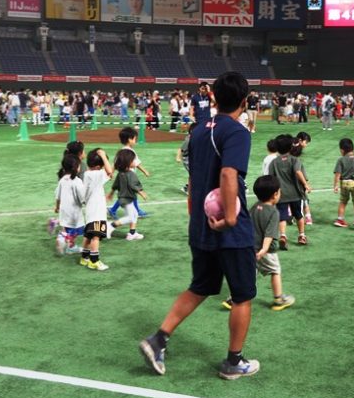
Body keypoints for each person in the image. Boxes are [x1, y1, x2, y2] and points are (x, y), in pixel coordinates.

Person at [139, 71, 259, 380]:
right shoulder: (238, 132)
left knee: (201, 286)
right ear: (244, 101)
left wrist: (197, 218)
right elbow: (229, 174)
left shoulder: (198, 132)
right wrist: (230, 218)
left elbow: (193, 179)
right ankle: (234, 362)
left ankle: (158, 339)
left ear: (213, 97)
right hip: (230, 229)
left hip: (201, 224)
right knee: (243, 295)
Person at [222, 175, 295, 312]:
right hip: (266, 252)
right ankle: (278, 299)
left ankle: (235, 298)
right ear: (275, 194)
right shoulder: (274, 212)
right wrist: (264, 249)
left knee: (249, 274)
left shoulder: (255, 207)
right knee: (275, 271)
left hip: (250, 248)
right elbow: (269, 234)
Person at [269, 134, 312, 247]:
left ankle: (283, 235)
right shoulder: (294, 160)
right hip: (295, 193)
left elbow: (271, 178)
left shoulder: (274, 162)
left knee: (282, 216)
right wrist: (306, 184)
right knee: (298, 215)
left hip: (281, 194)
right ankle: (302, 235)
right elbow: (298, 172)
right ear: (290, 147)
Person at [79, 148, 114, 271]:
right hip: (97, 211)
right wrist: (103, 156)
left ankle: (84, 257)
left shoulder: (88, 174)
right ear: (99, 166)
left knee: (88, 235)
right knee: (96, 236)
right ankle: (94, 261)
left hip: (90, 210)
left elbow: (109, 173)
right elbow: (109, 171)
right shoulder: (97, 174)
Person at [108, 127, 150, 218]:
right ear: (129, 139)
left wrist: (111, 172)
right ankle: (135, 211)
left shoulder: (122, 151)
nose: (135, 141)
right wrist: (145, 171)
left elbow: (115, 163)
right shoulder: (130, 152)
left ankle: (114, 210)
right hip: (128, 177)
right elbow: (136, 164)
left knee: (127, 194)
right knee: (128, 194)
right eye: (135, 139)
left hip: (124, 176)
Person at [108, 148, 148, 240]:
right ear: (128, 162)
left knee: (135, 214)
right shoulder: (131, 174)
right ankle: (111, 225)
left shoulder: (121, 173)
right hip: (127, 199)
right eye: (133, 160)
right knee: (130, 217)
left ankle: (132, 233)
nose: (135, 162)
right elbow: (133, 185)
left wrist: (111, 193)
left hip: (124, 199)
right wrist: (141, 193)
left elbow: (115, 185)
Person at [54, 154, 85, 256]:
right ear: (76, 167)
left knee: (69, 228)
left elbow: (58, 196)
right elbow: (83, 198)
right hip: (74, 212)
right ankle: (63, 239)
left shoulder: (62, 180)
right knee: (76, 230)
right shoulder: (77, 181)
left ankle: (69, 245)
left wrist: (57, 207)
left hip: (64, 211)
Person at [332, 138, 354, 230]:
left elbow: (337, 174)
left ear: (342, 150)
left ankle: (340, 219)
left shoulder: (341, 160)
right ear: (352, 149)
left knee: (343, 202)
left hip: (344, 183)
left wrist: (335, 185)